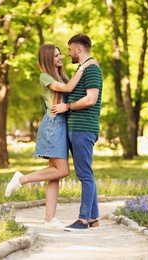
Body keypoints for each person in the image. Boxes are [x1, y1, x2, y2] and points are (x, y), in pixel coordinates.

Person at [5, 43, 98, 228]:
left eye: (60, 54)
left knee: (54, 175)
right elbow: (68, 89)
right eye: (56, 56)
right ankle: (22, 179)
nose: (60, 57)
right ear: (48, 59)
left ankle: (50, 219)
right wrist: (84, 66)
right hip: (53, 127)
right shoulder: (45, 77)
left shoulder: (61, 76)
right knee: (63, 170)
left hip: (62, 126)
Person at [52, 34, 103, 231]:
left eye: (70, 49)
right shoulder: (84, 69)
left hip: (83, 128)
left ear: (79, 49)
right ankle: (93, 217)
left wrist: (68, 107)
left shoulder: (92, 70)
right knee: (86, 172)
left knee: (84, 174)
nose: (68, 53)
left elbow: (90, 99)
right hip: (78, 128)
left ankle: (83, 221)